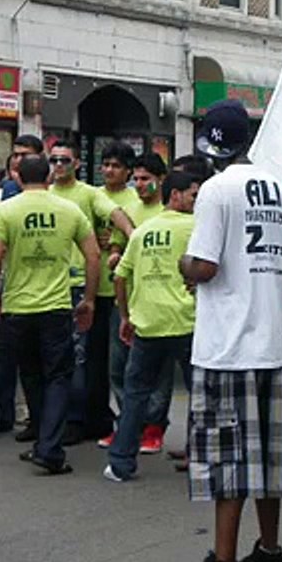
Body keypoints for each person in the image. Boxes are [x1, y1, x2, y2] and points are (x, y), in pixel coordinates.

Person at [180, 99, 282, 562]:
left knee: (226, 463)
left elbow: (205, 266)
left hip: (226, 346)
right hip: (270, 343)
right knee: (268, 461)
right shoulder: (278, 190)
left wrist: (182, 264)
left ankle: (224, 557)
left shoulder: (215, 191)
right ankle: (270, 548)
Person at [0, 154, 100, 474]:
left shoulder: (6, 210)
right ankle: (49, 447)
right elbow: (93, 254)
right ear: (49, 178)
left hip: (17, 307)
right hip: (56, 307)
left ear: (18, 178)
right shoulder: (68, 210)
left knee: (30, 375)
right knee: (58, 376)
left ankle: (44, 442)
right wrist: (88, 299)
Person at [104, 171, 199, 482]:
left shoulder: (144, 231)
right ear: (175, 196)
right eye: (192, 195)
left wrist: (126, 315)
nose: (197, 201)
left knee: (135, 395)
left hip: (147, 325)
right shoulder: (197, 227)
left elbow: (120, 275)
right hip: (188, 323)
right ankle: (201, 457)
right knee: (201, 395)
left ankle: (120, 463)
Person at [49, 140, 133, 445]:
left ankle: (82, 418)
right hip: (52, 287)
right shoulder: (44, 194)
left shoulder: (89, 194)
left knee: (88, 357)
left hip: (89, 287)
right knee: (62, 356)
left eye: (64, 160)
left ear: (77, 164)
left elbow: (117, 215)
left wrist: (131, 236)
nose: (58, 165)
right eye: (54, 160)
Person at [106, 152, 171, 455]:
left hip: (158, 301)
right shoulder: (127, 210)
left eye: (147, 179)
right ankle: (128, 423)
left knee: (157, 371)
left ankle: (154, 427)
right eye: (138, 179)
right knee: (119, 366)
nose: (141, 184)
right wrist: (115, 253)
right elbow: (116, 243)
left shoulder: (167, 212)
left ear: (161, 181)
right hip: (126, 300)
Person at [0, 134, 45, 440]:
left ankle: (35, 418)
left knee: (35, 362)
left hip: (41, 291)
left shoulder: (49, 197)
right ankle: (5, 414)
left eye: (25, 155)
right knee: (5, 356)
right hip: (8, 285)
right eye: (15, 155)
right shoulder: (5, 194)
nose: (17, 160)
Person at [91, 141, 140, 449]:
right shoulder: (92, 195)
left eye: (116, 166)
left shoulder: (135, 200)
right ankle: (98, 419)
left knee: (121, 362)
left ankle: (129, 422)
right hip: (92, 288)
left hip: (123, 292)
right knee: (93, 362)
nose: (109, 170)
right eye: (106, 165)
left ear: (129, 172)